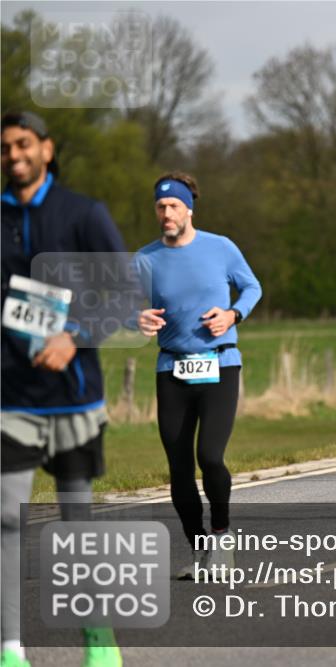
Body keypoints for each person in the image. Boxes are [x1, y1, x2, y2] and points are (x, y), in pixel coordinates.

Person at [2, 111, 124, 667]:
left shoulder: (83, 214)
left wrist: (75, 335)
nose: (13, 155)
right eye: (4, 148)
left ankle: (97, 638)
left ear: (46, 150)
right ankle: (10, 647)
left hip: (74, 397)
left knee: (77, 521)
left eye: (23, 144)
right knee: (7, 516)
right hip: (11, 399)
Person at [136, 172, 262, 579]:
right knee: (178, 468)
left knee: (209, 456)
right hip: (171, 367)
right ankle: (201, 549)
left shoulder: (220, 247)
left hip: (220, 363)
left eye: (173, 206)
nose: (166, 213)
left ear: (189, 208)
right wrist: (134, 317)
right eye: (160, 206)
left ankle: (223, 539)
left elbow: (252, 288)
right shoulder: (145, 259)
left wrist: (232, 314)